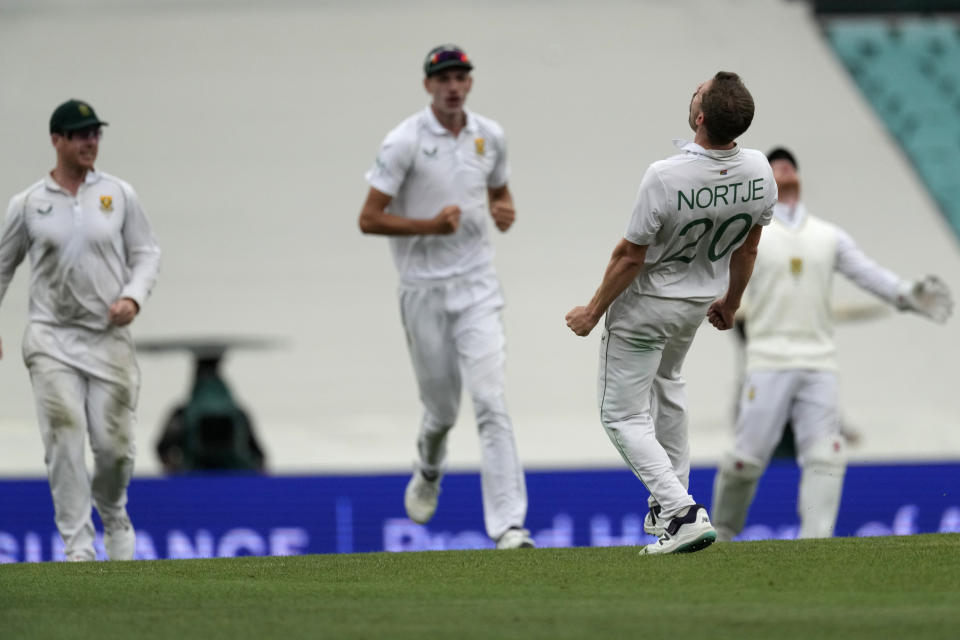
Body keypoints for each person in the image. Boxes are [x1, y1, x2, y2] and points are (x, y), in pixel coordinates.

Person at [566, 72, 777, 555]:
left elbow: (629, 257)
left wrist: (593, 311)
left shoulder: (665, 175)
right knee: (669, 388)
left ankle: (680, 510)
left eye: (696, 92)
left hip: (648, 305)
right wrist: (731, 302)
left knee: (619, 415)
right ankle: (671, 511)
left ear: (700, 117)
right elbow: (748, 250)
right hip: (696, 306)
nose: (693, 93)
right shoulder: (759, 170)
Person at [710, 147, 953, 541]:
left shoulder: (827, 235)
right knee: (744, 460)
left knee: (825, 456)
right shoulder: (749, 234)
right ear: (764, 183)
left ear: (799, 178)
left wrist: (907, 294)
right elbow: (713, 276)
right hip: (767, 358)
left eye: (790, 164)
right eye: (775, 165)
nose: (785, 165)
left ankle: (816, 543)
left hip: (818, 361)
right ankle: (721, 535)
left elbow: (868, 272)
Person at [358, 45, 533, 550]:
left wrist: (504, 209)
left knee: (491, 401)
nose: (453, 85)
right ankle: (429, 468)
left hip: (478, 287)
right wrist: (428, 227)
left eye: (460, 77)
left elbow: (500, 192)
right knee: (441, 412)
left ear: (470, 83)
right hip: (424, 291)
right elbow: (369, 217)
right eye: (444, 78)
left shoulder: (489, 135)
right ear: (428, 85)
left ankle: (509, 526)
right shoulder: (404, 141)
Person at [0, 99, 161, 561]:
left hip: (107, 338)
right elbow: (3, 267)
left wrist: (133, 296)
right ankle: (78, 549)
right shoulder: (29, 204)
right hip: (51, 337)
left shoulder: (118, 194)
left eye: (95, 133)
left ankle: (114, 515)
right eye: (80, 134)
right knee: (64, 435)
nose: (91, 141)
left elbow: (147, 252)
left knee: (113, 448)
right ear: (57, 140)